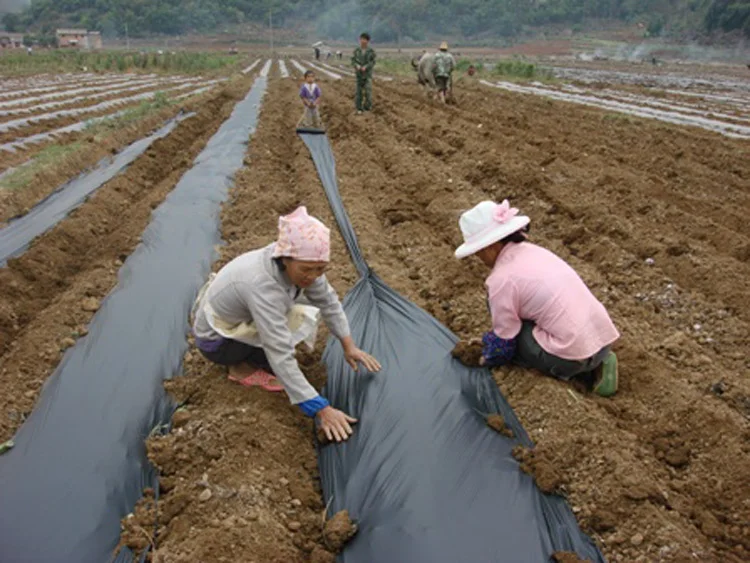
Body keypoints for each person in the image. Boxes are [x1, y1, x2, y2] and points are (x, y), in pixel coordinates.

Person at [192, 207, 381, 441]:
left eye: (320, 269)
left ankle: (252, 357)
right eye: (306, 269)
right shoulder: (262, 285)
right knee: (282, 333)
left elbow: (329, 302)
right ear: (284, 258)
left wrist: (348, 345)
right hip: (215, 340)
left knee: (296, 313)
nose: (313, 276)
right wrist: (320, 408)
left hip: (240, 316)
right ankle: (239, 368)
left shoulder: (302, 264)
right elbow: (279, 351)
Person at [454, 200, 620, 397]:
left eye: (478, 253)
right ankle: (601, 361)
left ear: (489, 248)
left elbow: (504, 344)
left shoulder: (501, 280)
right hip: (602, 340)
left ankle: (580, 370)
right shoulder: (536, 252)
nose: (479, 259)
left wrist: (487, 355)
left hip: (572, 359)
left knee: (511, 332)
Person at [352, 32, 376, 115]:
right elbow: (353, 61)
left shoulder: (371, 51)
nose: (363, 41)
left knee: (368, 91)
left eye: (365, 39)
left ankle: (367, 108)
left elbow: (372, 62)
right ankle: (359, 108)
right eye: (362, 39)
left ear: (367, 41)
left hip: (367, 75)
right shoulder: (356, 51)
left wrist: (366, 67)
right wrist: (357, 66)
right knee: (359, 93)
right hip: (359, 75)